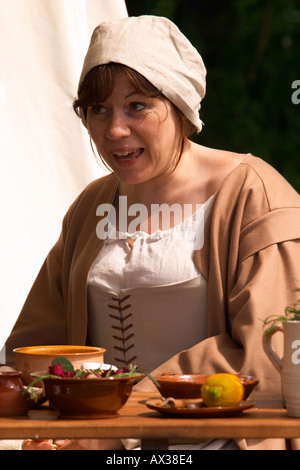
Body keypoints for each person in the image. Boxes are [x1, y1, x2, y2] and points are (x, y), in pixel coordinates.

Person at [4, 15, 300, 450]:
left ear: (179, 103)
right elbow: (35, 348)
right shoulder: (93, 207)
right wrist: (57, 426)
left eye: (137, 106)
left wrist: (122, 418)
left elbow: (273, 353)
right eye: (98, 109)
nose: (114, 130)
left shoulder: (253, 196)